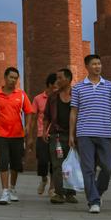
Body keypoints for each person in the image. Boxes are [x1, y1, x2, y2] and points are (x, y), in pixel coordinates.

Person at [69, 55, 111, 214]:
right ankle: (93, 201)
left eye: (99, 63)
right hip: (84, 133)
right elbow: (74, 112)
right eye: (94, 64)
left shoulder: (110, 86)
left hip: (104, 133)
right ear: (87, 66)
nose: (97, 66)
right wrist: (71, 134)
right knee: (88, 168)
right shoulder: (78, 88)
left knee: (108, 167)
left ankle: (97, 190)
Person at [0, 67, 35, 205]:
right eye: (11, 77)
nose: (13, 80)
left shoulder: (21, 94)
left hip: (17, 134)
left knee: (15, 164)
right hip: (0, 134)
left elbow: (29, 112)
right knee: (3, 162)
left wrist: (28, 127)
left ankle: (12, 188)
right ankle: (5, 191)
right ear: (5, 77)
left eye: (15, 78)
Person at [44, 68, 77, 204]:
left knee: (72, 165)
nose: (57, 81)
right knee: (57, 164)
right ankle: (59, 193)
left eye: (60, 78)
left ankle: (70, 193)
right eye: (56, 78)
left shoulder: (77, 95)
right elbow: (46, 116)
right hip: (56, 135)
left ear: (68, 79)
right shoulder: (52, 97)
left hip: (74, 136)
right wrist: (44, 131)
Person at [31, 73, 57, 195]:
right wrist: (30, 136)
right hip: (41, 134)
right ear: (50, 85)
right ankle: (44, 179)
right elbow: (32, 118)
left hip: (55, 134)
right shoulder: (38, 99)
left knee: (54, 162)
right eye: (56, 84)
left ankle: (52, 187)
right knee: (42, 161)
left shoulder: (59, 98)